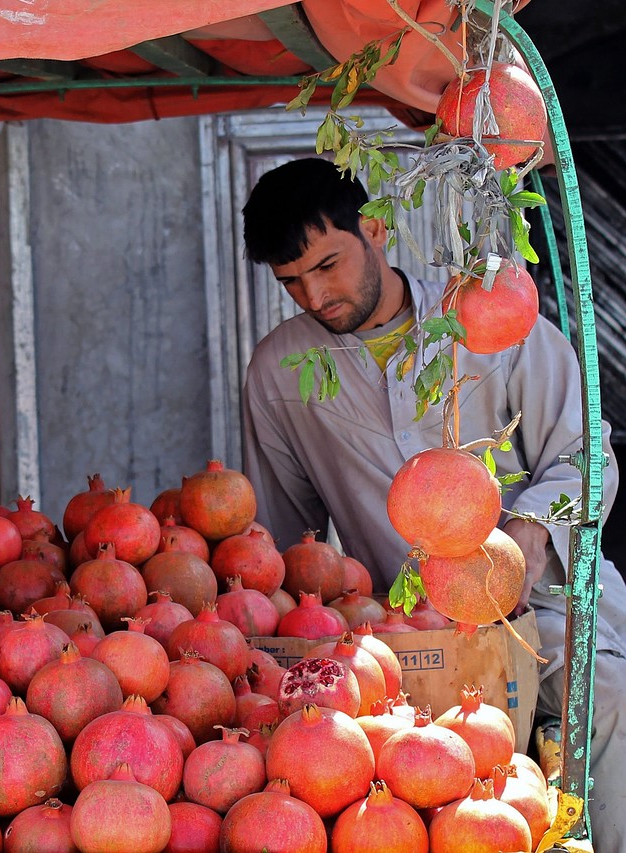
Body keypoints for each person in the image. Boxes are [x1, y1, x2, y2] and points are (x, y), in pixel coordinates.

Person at [239, 156, 626, 848]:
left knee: (602, 696)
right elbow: (282, 538)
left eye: (328, 265)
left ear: (377, 229)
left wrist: (529, 536)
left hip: (541, 603)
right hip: (401, 632)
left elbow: (585, 455)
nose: (314, 294)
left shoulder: (485, 323)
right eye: (291, 281)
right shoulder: (279, 371)